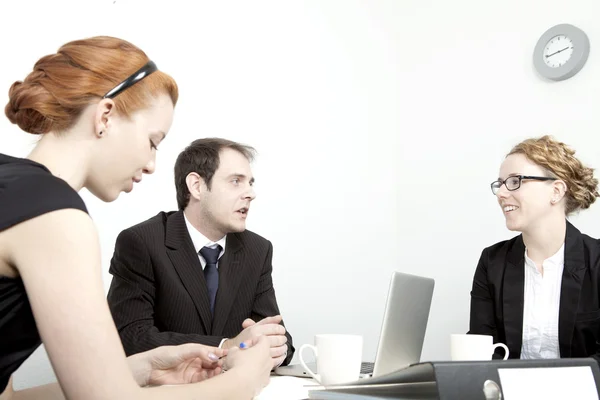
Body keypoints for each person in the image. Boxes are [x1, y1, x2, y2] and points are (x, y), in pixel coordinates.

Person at [0, 36, 271, 399]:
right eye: (153, 141)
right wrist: (245, 380)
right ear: (106, 116)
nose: (151, 165)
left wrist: (143, 369)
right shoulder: (54, 216)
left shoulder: (11, 185)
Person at [107, 138, 294, 369]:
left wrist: (269, 345)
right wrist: (226, 346)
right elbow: (129, 339)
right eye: (236, 181)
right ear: (196, 186)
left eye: (250, 183)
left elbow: (279, 340)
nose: (250, 193)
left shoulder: (257, 250)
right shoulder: (142, 243)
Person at [469, 135, 600, 361]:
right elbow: (483, 352)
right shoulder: (492, 262)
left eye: (514, 181)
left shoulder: (597, 260)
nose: (501, 193)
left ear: (556, 191)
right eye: (500, 183)